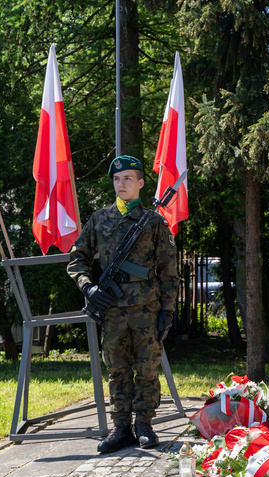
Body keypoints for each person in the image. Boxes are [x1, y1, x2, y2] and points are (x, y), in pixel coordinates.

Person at [68, 156, 178, 454]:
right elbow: (77, 259)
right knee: (117, 369)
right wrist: (89, 287)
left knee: (147, 369)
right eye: (117, 179)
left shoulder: (154, 222)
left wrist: (167, 311)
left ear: (141, 183)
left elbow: (169, 271)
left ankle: (143, 425)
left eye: (128, 178)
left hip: (147, 309)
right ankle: (121, 428)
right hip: (112, 310)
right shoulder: (99, 219)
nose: (121, 184)